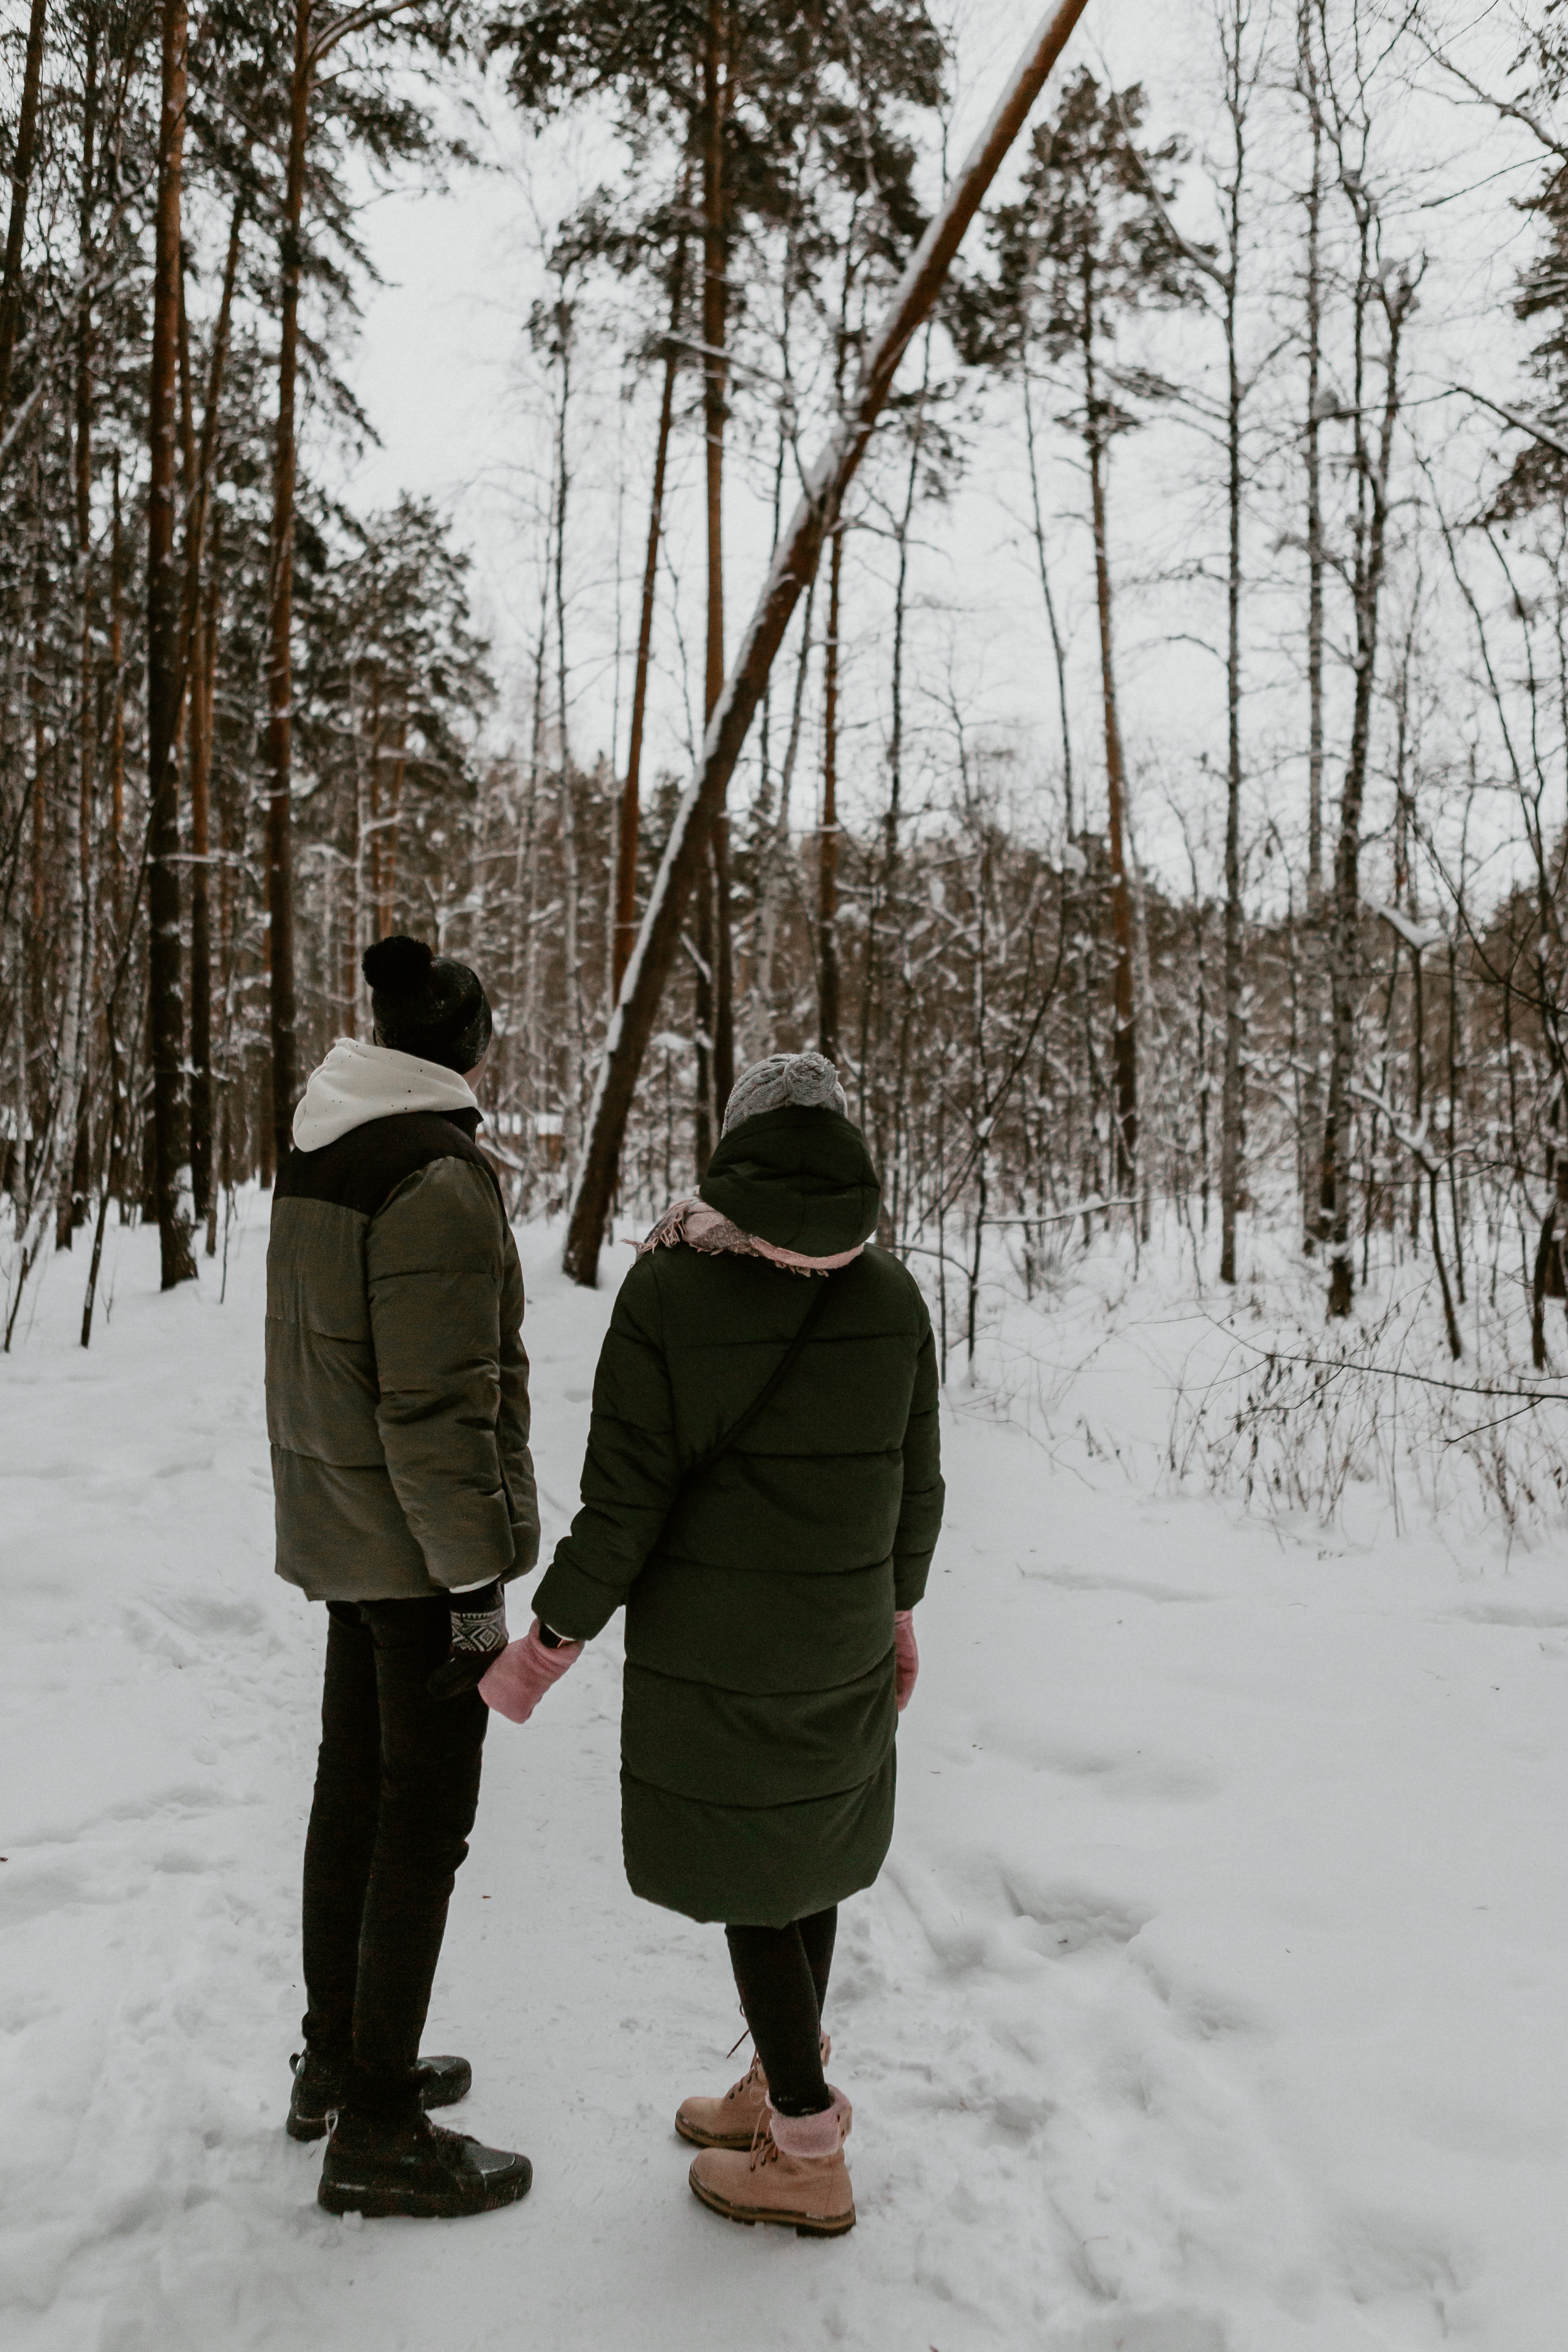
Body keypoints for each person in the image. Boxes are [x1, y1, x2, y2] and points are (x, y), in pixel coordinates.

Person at [481, 1050, 943, 2236]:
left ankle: (800, 2143)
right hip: (838, 1637)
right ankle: (778, 2085)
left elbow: (625, 1499)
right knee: (808, 1859)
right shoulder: (891, 1296)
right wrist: (894, 1611)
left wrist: (549, 1638)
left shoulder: (672, 1289)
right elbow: (916, 1487)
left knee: (755, 1872)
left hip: (718, 1647)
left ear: (733, 1144)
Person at [266, 933, 538, 2220]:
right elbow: (437, 1410)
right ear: (459, 1046)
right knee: (420, 1825)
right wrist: (476, 1586)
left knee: (354, 1802)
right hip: (416, 1554)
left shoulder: (328, 1140)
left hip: (349, 1531)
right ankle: (375, 2125)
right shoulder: (429, 1175)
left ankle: (342, 2057)